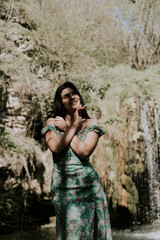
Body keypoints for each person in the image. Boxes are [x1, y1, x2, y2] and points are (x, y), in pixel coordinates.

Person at [41, 82, 112, 240]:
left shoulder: (91, 123)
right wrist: (72, 127)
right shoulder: (52, 123)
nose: (72, 97)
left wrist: (68, 128)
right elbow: (56, 146)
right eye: (66, 96)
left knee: (94, 233)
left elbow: (84, 152)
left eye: (74, 93)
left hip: (88, 186)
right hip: (63, 186)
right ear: (61, 102)